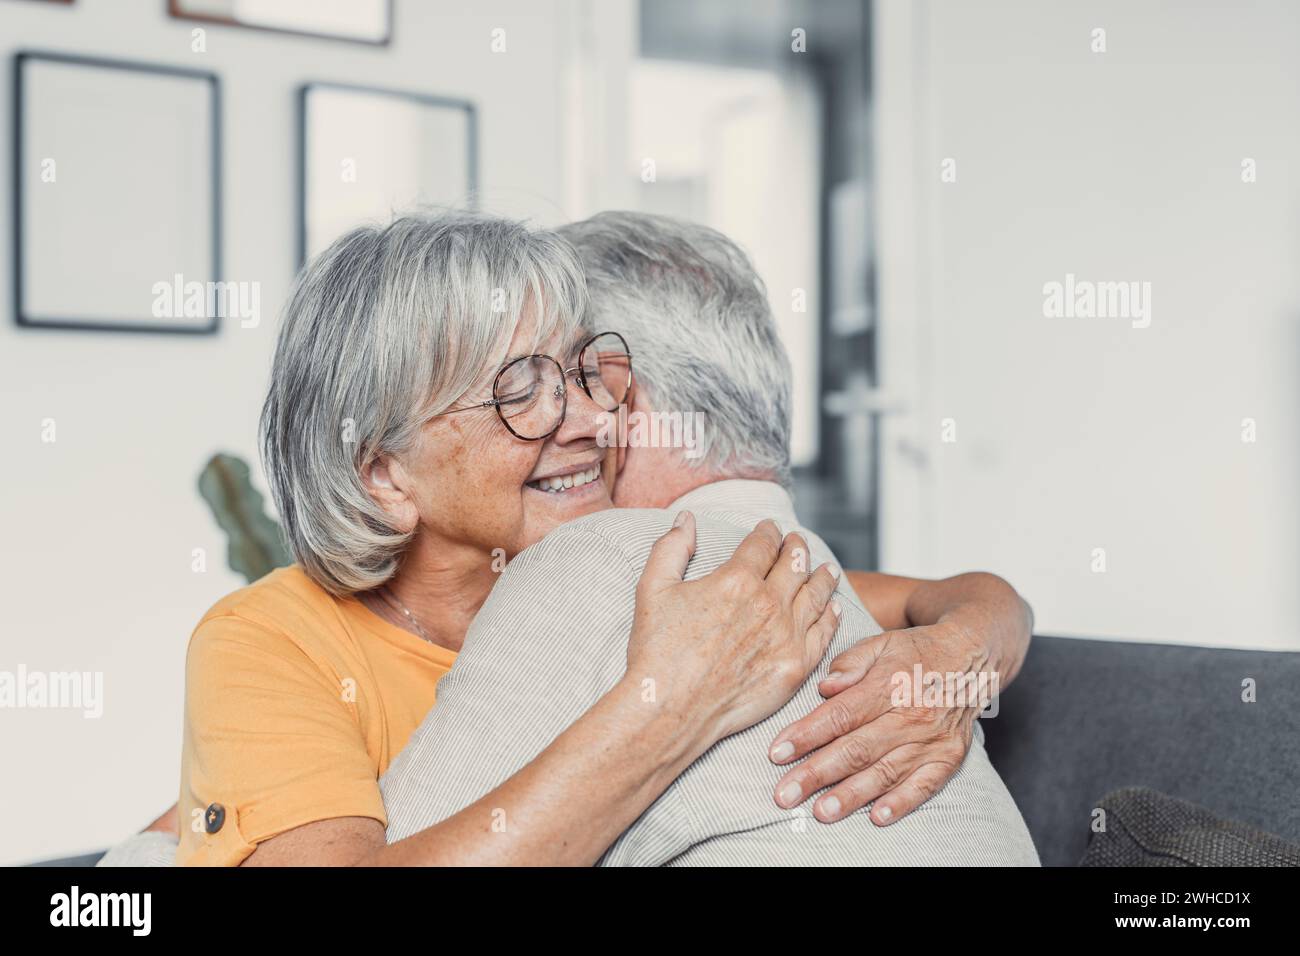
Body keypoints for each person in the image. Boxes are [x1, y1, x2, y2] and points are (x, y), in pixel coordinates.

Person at [100, 210, 1032, 867]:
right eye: (520, 392)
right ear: (385, 475)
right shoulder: (271, 641)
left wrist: (953, 658)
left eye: (587, 372)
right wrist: (669, 706)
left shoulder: (644, 570)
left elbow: (962, 598)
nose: (591, 419)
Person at [379, 212, 1039, 865]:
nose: (565, 417)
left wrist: (966, 648)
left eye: (577, 378)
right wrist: (969, 642)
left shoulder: (594, 565)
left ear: (620, 401)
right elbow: (970, 598)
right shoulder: (811, 574)